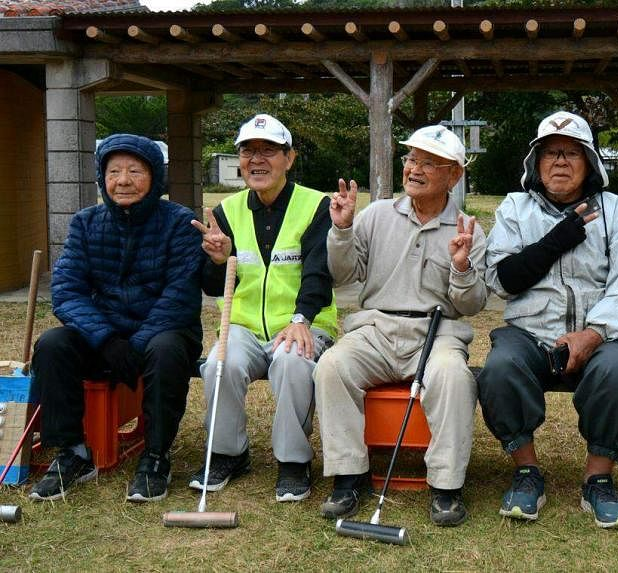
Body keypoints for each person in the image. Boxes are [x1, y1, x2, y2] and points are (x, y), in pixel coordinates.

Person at [478, 111, 618, 528]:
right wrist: (561, 237)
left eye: (572, 153)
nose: (560, 161)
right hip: (530, 331)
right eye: (551, 152)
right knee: (499, 370)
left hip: (599, 333)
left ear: (590, 162)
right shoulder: (515, 208)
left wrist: (592, 334)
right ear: (535, 162)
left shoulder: (617, 211)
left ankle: (598, 478)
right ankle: (526, 472)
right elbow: (504, 279)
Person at [314, 125, 487, 527]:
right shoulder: (376, 215)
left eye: (429, 163)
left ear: (454, 175)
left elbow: (472, 304)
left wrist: (461, 268)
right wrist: (340, 230)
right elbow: (343, 276)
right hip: (374, 328)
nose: (414, 169)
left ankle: (446, 486)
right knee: (332, 367)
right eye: (411, 160)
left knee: (452, 376)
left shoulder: (466, 230)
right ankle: (349, 476)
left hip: (437, 331)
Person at [29, 134, 204, 503]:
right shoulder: (86, 223)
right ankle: (72, 452)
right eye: (113, 171)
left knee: (167, 347)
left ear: (155, 177)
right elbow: (67, 290)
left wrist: (136, 345)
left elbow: (180, 295)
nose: (123, 180)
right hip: (106, 338)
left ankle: (156, 457)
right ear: (102, 177)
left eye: (135, 171)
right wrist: (106, 339)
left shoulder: (179, 222)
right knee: (52, 344)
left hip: (163, 334)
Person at [191, 114, 337, 502]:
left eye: (268, 150)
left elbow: (320, 273)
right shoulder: (226, 212)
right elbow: (209, 285)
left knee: (292, 361)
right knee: (220, 363)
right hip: (242, 327)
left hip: (303, 323)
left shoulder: (315, 206)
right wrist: (219, 261)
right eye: (248, 151)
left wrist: (301, 319)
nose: (257, 159)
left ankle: (293, 462)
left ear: (289, 158)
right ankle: (228, 453)